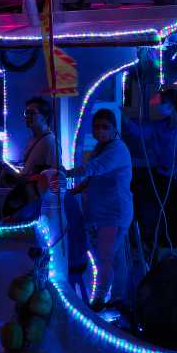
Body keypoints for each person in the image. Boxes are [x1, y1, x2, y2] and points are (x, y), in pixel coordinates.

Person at [51, 108, 134, 308]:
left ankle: (100, 299)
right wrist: (71, 193)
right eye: (96, 127)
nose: (100, 131)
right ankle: (118, 297)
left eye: (105, 127)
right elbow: (91, 179)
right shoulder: (101, 147)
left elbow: (94, 168)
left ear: (114, 128)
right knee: (114, 258)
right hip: (104, 214)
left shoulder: (117, 150)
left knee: (105, 258)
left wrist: (68, 173)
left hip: (112, 215)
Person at [121, 87, 177, 252]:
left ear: (173, 104)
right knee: (168, 213)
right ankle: (170, 249)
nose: (160, 106)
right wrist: (124, 119)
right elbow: (141, 133)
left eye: (163, 103)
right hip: (165, 177)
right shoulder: (159, 126)